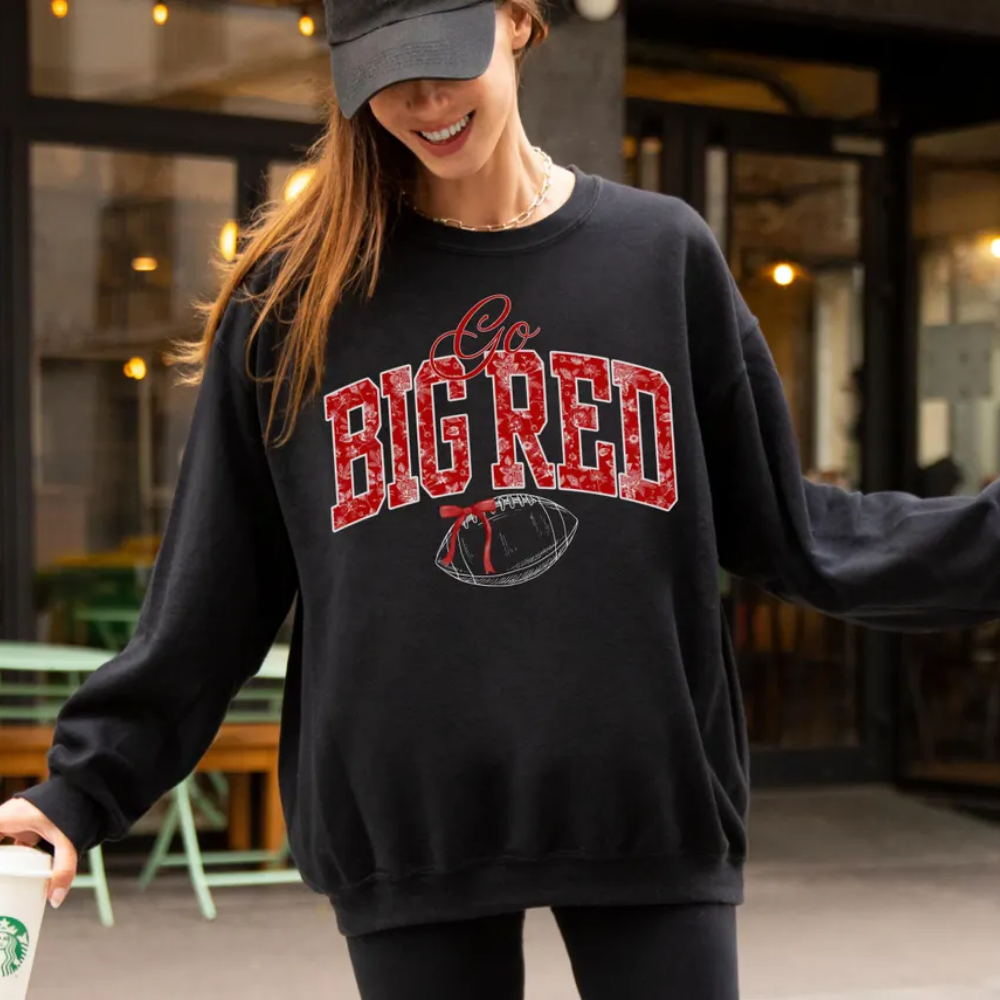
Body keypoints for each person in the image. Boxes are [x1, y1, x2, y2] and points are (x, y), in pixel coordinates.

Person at [3, 2, 1000, 997]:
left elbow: (793, 531)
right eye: (387, 76)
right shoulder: (294, 299)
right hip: (412, 817)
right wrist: (81, 788)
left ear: (518, 19)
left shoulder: (659, 256)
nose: (424, 102)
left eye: (444, 61)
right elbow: (211, 598)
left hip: (642, 801)